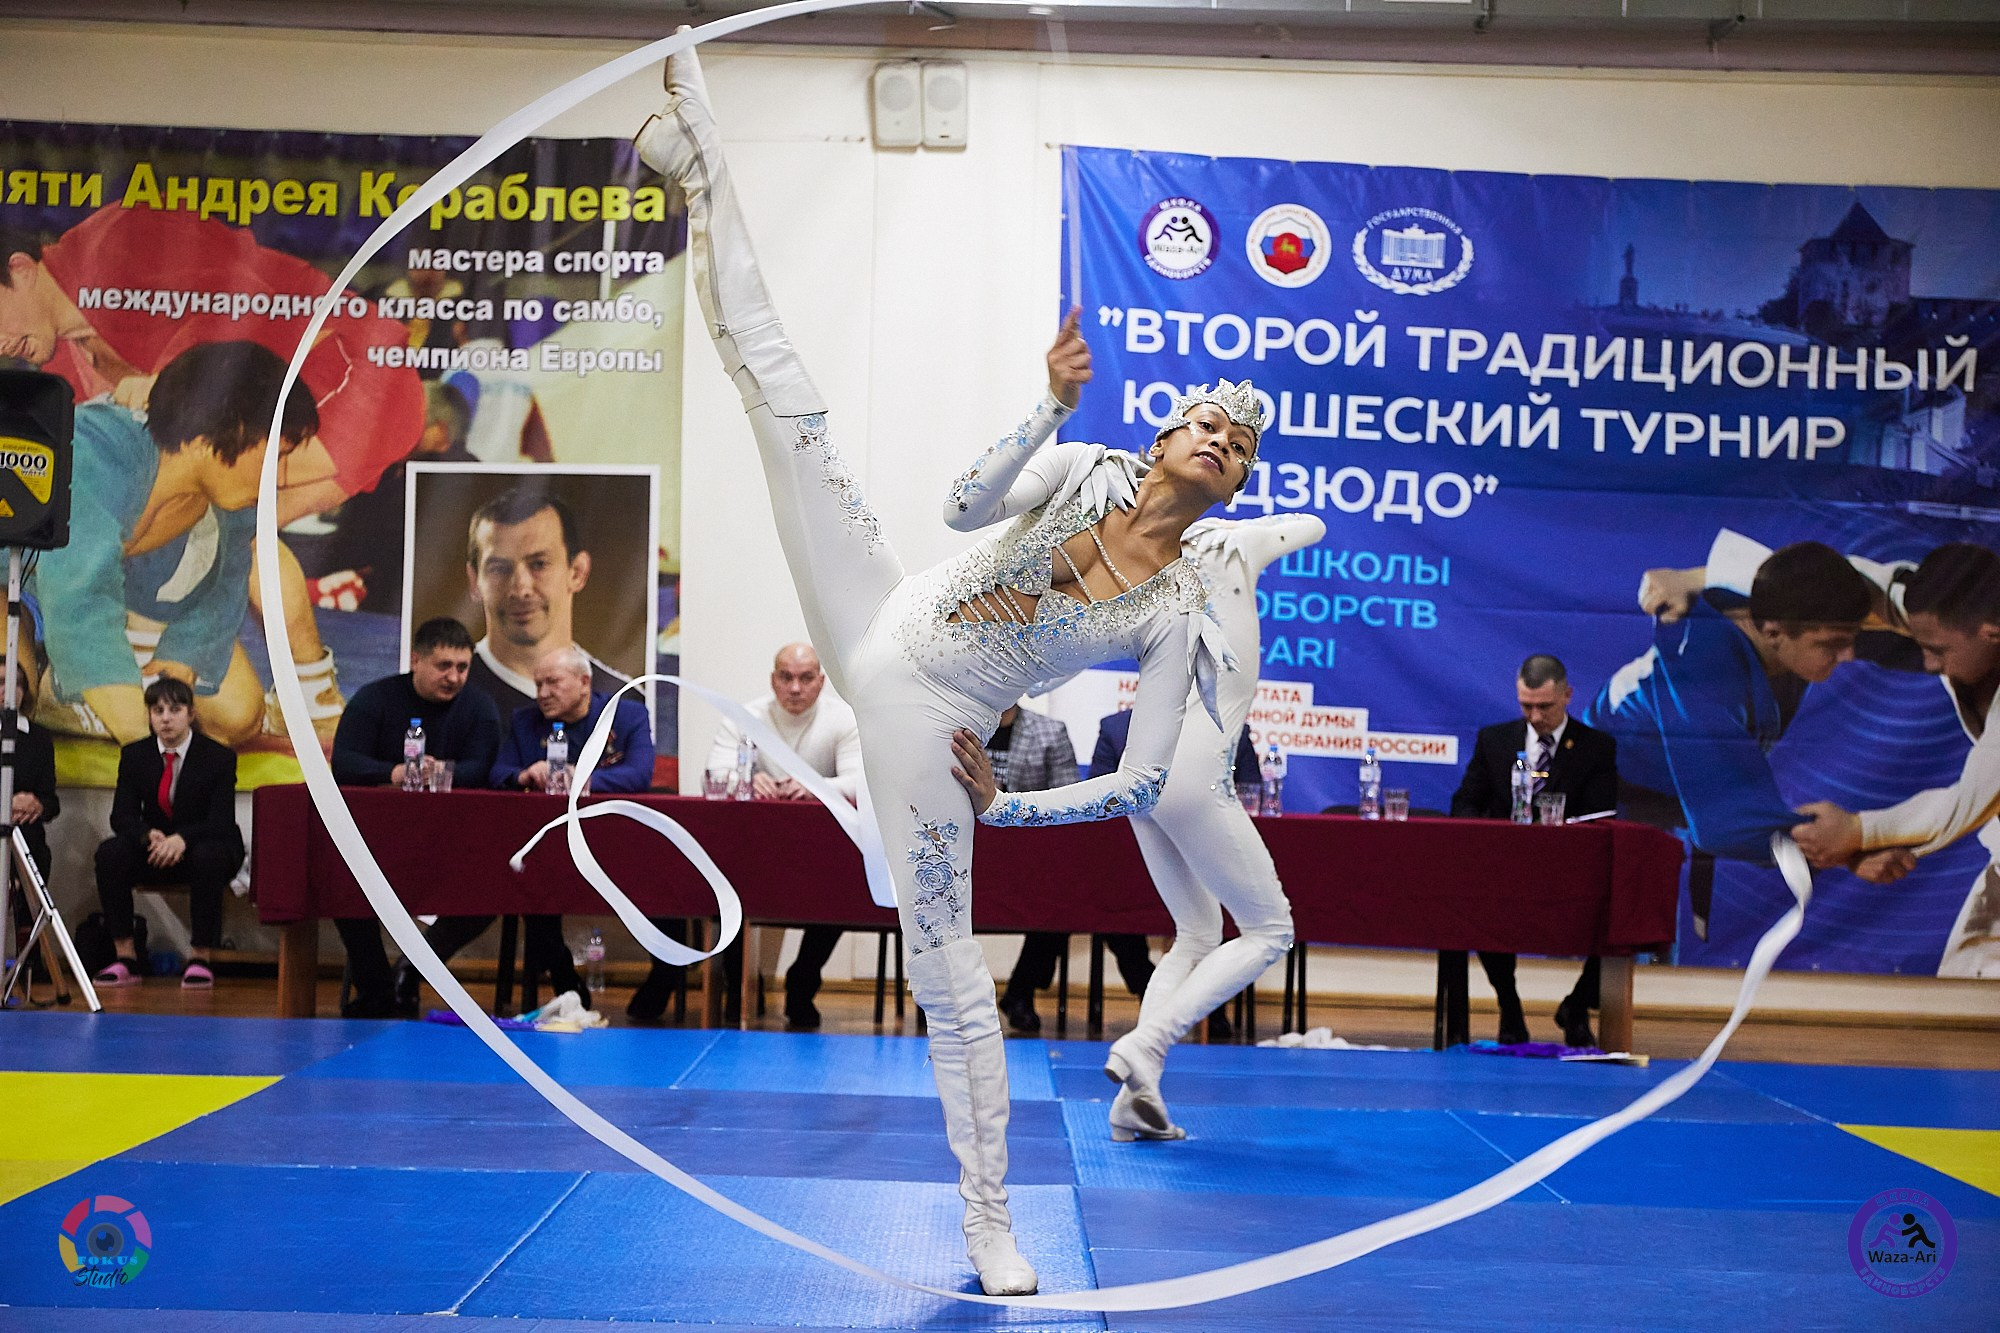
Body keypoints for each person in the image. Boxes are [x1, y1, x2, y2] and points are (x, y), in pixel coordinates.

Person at [636, 47, 1250, 1295]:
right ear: (1163, 429)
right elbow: (962, 502)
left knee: (952, 976)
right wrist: (1043, 404)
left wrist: (1006, 803)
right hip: (879, 599)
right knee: (786, 399)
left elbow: (1141, 782)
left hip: (931, 726)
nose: (1220, 444)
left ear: (1236, 481)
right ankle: (701, 163)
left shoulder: (1181, 604)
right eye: (1205, 423)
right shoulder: (1082, 469)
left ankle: (986, 1217)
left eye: (1239, 448)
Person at [0, 213, 424, 738]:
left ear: (19, 270)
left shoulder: (107, 243)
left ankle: (315, 699)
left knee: (237, 522)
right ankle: (103, 666)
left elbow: (242, 292)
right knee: (195, 524)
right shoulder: (63, 363)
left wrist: (174, 380)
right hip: (265, 403)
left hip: (350, 367)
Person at [1091, 514, 1320, 1143]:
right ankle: (1147, 1045)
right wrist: (1235, 525)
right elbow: (1313, 524)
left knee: (1195, 931)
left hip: (1144, 762)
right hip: (1193, 769)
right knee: (1271, 929)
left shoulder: (1158, 557)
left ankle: (1136, 1098)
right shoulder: (1237, 545)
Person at [28, 340, 320, 746]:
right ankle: (45, 673)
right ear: (217, 434)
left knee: (237, 716)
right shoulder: (94, 454)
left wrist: (185, 653)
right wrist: (145, 745)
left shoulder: (231, 494)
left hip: (111, 600)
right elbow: (80, 604)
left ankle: (68, 678)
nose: (281, 476)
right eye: (276, 454)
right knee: (14, 689)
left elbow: (225, 584)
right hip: (18, 586)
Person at [1580, 541, 1873, 941]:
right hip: (1604, 809)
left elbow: (1758, 564)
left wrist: (1688, 576)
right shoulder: (1703, 670)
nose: (1847, 657)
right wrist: (1854, 846)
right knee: (1619, 961)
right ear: (1774, 632)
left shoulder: (1774, 608)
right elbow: (1729, 823)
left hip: (1669, 802)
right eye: (1832, 646)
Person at [1771, 543, 2000, 977]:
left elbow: (1966, 804)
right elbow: (1854, 581)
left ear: (1992, 633)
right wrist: (1699, 578)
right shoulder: (1959, 610)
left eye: (1938, 649)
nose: (1928, 662)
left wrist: (1857, 832)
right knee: (1961, 1006)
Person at [664, 642, 862, 1030]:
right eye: (785, 677)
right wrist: (749, 781)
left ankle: (803, 981)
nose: (794, 687)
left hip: (822, 854)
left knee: (845, 887)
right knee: (728, 890)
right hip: (754, 852)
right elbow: (714, 777)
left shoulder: (843, 719)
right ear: (773, 679)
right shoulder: (745, 716)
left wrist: (816, 786)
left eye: (805, 678)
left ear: (821, 682)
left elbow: (861, 782)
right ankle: (732, 994)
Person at [329, 617, 502, 1018]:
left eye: (462, 668)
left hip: (453, 846)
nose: (454, 677)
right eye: (443, 666)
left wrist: (443, 772)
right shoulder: (375, 699)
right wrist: (392, 772)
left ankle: (411, 968)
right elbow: (345, 762)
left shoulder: (479, 707)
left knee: (490, 892)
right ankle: (378, 991)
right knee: (346, 886)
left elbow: (487, 768)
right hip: (380, 845)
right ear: (416, 661)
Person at [1448, 654, 1618, 1046]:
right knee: (1479, 909)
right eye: (1526, 706)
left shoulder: (1595, 747)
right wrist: (1490, 839)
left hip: (1570, 871)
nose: (1535, 716)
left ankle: (1577, 1005)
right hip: (1503, 870)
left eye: (1545, 706)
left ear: (1568, 696)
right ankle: (1509, 1005)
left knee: (1618, 914)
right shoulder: (1495, 740)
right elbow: (1465, 803)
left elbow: (1600, 813)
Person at [90, 676, 244, 989]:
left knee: (208, 856)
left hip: (205, 844)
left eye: (175, 709)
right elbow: (122, 816)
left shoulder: (218, 757)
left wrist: (182, 839)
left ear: (191, 714)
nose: (166, 717)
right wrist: (149, 836)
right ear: (149, 716)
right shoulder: (135, 756)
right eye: (158, 710)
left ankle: (200, 957)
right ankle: (126, 958)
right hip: (156, 846)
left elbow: (221, 821)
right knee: (111, 853)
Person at [989, 702, 1132, 1035]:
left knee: (1062, 895)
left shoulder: (1048, 732)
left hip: (1031, 857)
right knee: (1065, 895)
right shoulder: (959, 727)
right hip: (970, 852)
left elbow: (1069, 806)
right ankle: (1019, 991)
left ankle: (1021, 991)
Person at [463, 486, 630, 718]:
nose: (520, 589)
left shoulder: (622, 699)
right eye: (499, 568)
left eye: (539, 564)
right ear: (474, 580)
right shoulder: (446, 693)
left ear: (577, 573)